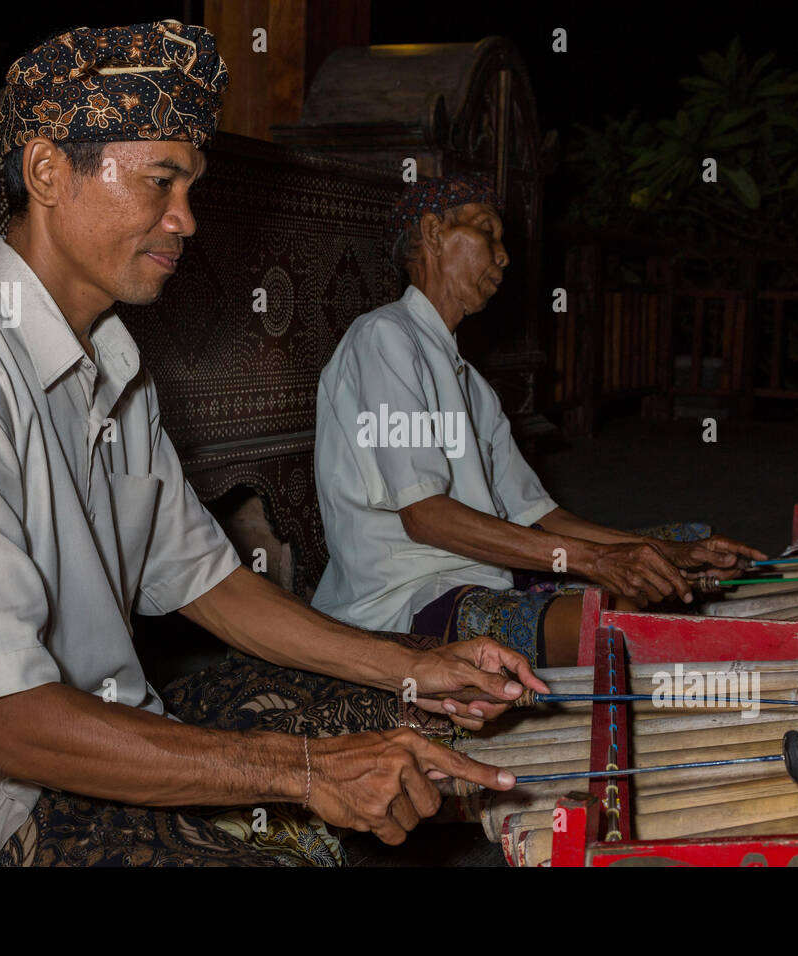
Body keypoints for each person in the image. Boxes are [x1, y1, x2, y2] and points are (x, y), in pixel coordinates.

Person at [0, 21, 543, 868]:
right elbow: (9, 729)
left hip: (116, 728)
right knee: (296, 818)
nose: (186, 220)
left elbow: (211, 584)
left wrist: (409, 666)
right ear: (50, 171)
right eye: (162, 182)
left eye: (190, 187)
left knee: (419, 708)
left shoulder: (117, 367)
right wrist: (305, 771)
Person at [311, 174, 766, 668]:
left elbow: (541, 517)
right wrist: (595, 560)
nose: (504, 256)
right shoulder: (384, 337)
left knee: (665, 566)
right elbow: (425, 516)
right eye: (488, 231)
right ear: (433, 231)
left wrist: (667, 551)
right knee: (625, 622)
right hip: (403, 602)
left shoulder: (471, 384)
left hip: (484, 578)